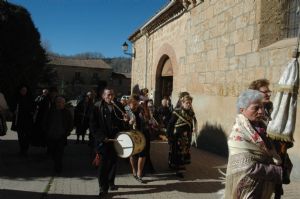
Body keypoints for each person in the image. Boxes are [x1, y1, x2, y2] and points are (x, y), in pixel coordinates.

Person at [224, 89, 282, 199]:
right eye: (256, 108)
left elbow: (269, 150)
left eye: (262, 107)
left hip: (262, 185)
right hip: (248, 189)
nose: (261, 111)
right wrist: (276, 171)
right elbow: (247, 167)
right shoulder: (237, 134)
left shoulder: (261, 127)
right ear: (242, 110)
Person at [89, 88, 128, 197]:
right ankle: (103, 187)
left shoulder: (118, 106)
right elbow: (93, 125)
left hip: (115, 140)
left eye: (112, 95)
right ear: (103, 96)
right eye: (108, 95)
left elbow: (122, 124)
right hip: (103, 141)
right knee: (102, 165)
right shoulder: (97, 107)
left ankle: (110, 182)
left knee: (113, 163)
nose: (111, 97)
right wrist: (101, 137)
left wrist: (125, 121)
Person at [167, 94, 196, 178]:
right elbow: (170, 124)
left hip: (186, 136)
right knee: (177, 152)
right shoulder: (177, 112)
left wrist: (191, 131)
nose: (188, 104)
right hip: (177, 136)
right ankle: (178, 169)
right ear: (182, 103)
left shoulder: (191, 113)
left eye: (190, 103)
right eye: (187, 102)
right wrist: (169, 135)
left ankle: (180, 167)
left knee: (184, 153)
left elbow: (190, 124)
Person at [44, 96, 73, 173]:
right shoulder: (50, 111)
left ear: (64, 104)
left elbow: (70, 124)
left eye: (62, 102)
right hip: (51, 136)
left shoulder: (67, 112)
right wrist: (46, 131)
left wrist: (67, 133)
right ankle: (56, 163)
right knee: (53, 152)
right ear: (56, 103)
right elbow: (45, 122)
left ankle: (58, 168)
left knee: (59, 153)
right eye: (58, 102)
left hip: (61, 136)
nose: (60, 104)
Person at [125, 94, 150, 183]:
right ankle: (134, 170)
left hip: (142, 133)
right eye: (134, 103)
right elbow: (124, 120)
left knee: (142, 154)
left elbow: (148, 118)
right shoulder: (127, 109)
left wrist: (145, 107)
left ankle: (139, 173)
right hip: (132, 133)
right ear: (130, 102)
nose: (135, 104)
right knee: (132, 153)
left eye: (137, 102)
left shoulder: (141, 108)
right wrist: (128, 121)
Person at [11, 85, 34, 156]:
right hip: (19, 120)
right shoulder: (16, 98)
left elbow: (33, 107)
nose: (24, 91)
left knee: (27, 135)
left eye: (25, 90)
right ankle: (22, 149)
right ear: (20, 91)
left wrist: (32, 111)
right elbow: (12, 106)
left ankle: (25, 149)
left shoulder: (29, 98)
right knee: (20, 136)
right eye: (22, 90)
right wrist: (14, 110)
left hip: (27, 120)